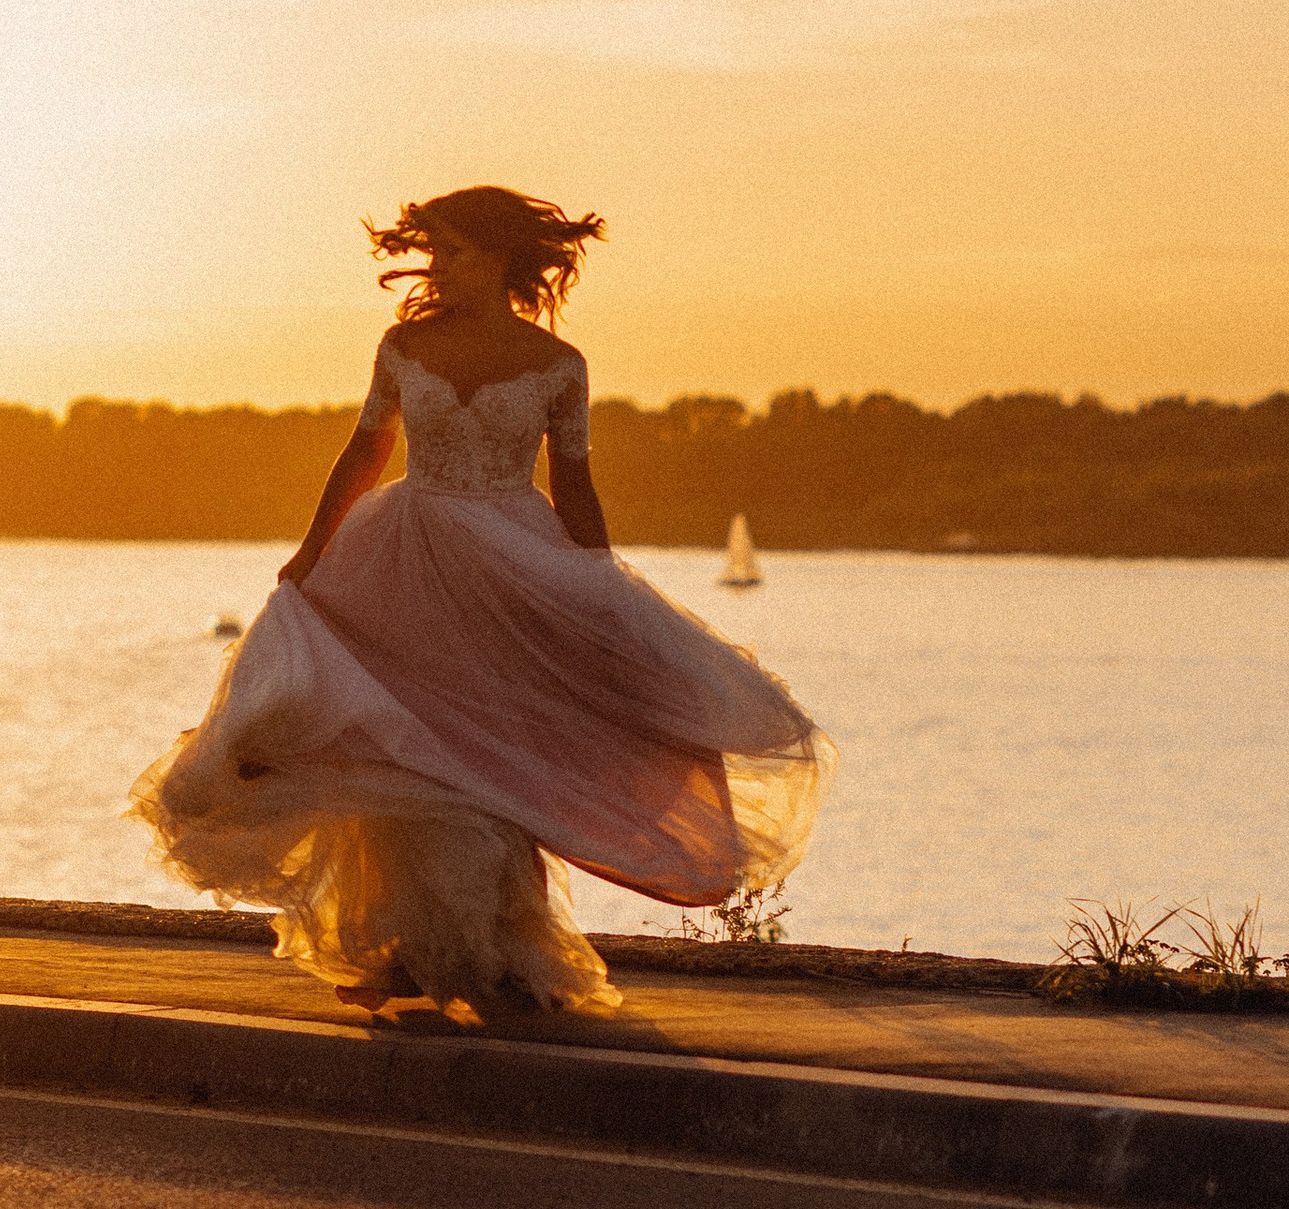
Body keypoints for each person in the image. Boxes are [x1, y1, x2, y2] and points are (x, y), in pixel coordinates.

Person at [132, 185, 830, 1016]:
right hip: (406, 554)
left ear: (500, 259)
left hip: (513, 566)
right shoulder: (402, 346)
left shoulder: (557, 366)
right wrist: (311, 555)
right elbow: (363, 454)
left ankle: (490, 947)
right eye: (435, 252)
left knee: (491, 755)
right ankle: (413, 940)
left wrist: (600, 592)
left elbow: (575, 486)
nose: (440, 267)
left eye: (457, 251)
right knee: (404, 749)